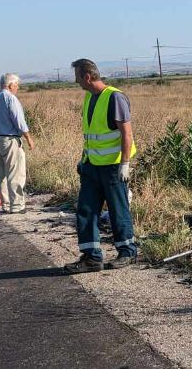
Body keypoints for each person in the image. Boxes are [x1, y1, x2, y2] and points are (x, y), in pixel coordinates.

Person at [64, 58, 137, 273]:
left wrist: (125, 163)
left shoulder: (115, 97)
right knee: (85, 211)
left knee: (118, 210)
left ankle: (128, 252)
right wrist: (83, 159)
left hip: (114, 168)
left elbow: (127, 133)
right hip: (92, 166)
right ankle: (91, 257)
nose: (76, 82)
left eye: (77, 77)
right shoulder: (89, 97)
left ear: (87, 76)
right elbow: (91, 136)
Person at [0, 73, 35, 213]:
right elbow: (19, 121)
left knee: (1, 174)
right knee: (14, 173)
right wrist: (28, 138)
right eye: (17, 85)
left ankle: (5, 204)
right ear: (11, 85)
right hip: (9, 139)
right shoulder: (11, 99)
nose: (17, 87)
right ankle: (16, 205)